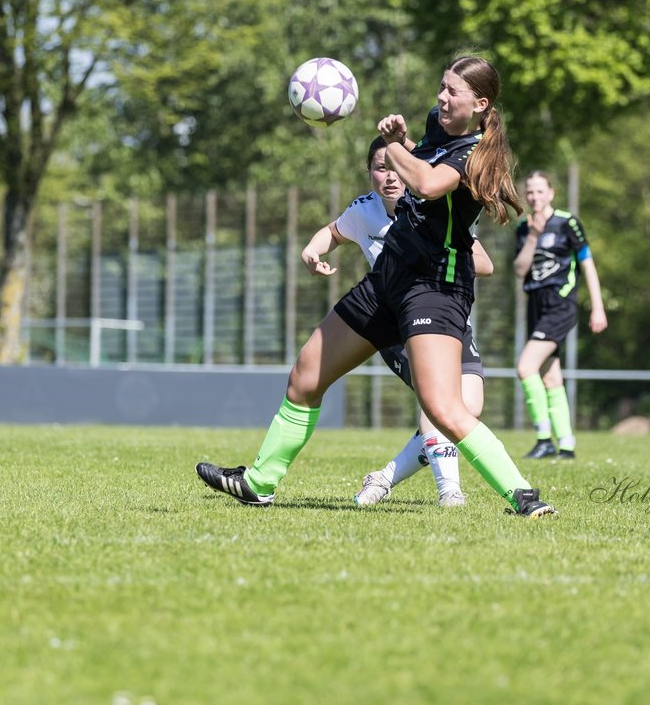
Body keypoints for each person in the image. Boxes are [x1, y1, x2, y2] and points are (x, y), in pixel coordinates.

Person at [197, 55, 556, 518]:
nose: (442, 98)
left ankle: (524, 497)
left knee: (443, 407)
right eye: (441, 88)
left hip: (434, 288)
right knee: (306, 377)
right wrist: (406, 140)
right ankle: (258, 483)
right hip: (389, 276)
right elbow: (421, 163)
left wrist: (394, 146)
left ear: (481, 103)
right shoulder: (438, 124)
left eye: (453, 92)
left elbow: (427, 183)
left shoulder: (474, 152)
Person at [301, 136, 495, 508]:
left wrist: (438, 258)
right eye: (380, 167)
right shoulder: (364, 211)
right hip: (396, 323)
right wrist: (312, 250)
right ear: (370, 173)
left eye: (395, 166)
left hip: (447, 314)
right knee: (438, 400)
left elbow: (485, 264)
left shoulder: (433, 212)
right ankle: (449, 490)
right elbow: (333, 232)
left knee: (468, 407)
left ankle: (385, 477)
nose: (389, 176)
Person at [513, 170, 608, 459]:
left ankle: (543, 438)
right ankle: (566, 444)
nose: (535, 197)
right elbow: (519, 270)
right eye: (530, 191)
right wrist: (533, 235)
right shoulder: (523, 227)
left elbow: (587, 263)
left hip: (560, 303)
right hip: (535, 304)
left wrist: (598, 306)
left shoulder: (567, 222)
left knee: (525, 367)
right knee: (550, 377)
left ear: (551, 193)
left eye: (540, 191)